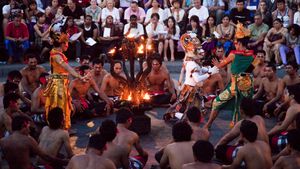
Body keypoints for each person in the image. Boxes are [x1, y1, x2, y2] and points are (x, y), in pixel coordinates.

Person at [205, 25, 256, 129]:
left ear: (240, 43)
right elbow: (250, 70)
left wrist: (216, 63)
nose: (235, 44)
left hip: (235, 86)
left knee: (216, 102)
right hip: (247, 86)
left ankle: (208, 125)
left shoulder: (233, 54)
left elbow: (220, 65)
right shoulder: (253, 56)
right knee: (244, 109)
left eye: (236, 43)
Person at [44, 29, 87, 130]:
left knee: (63, 104)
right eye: (66, 43)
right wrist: (79, 76)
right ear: (62, 43)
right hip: (57, 84)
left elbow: (65, 68)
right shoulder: (56, 56)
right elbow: (66, 67)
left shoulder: (57, 54)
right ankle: (60, 128)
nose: (67, 45)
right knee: (59, 105)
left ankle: (63, 127)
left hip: (61, 83)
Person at [0, 115, 68, 169]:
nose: (29, 131)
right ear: (24, 125)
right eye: (28, 127)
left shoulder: (2, 141)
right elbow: (46, 157)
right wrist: (65, 162)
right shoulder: (27, 140)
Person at [215, 98, 269, 164]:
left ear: (241, 110)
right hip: (266, 151)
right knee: (240, 143)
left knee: (220, 150)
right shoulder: (259, 118)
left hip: (254, 155)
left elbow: (226, 139)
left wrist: (216, 148)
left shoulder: (243, 123)